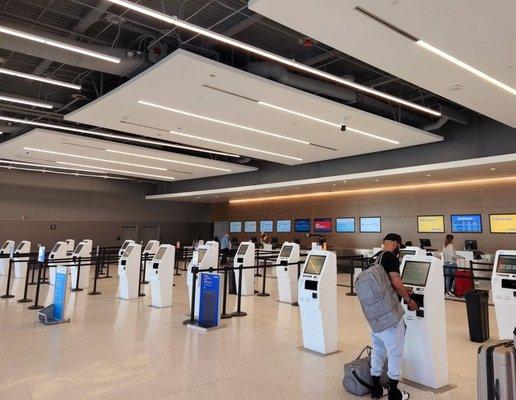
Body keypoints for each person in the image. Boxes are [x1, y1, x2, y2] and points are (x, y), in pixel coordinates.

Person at [369, 233, 418, 400]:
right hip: (389, 314)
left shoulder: (375, 258)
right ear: (396, 244)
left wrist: (404, 288)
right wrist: (408, 299)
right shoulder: (391, 257)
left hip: (373, 314)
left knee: (378, 350)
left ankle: (376, 390)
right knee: (395, 351)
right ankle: (394, 393)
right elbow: (395, 282)